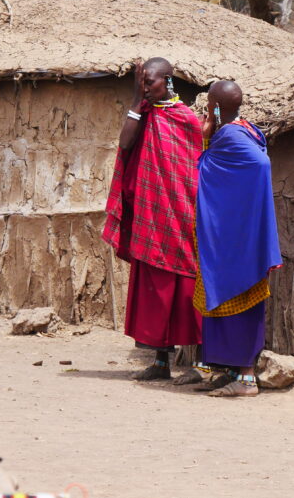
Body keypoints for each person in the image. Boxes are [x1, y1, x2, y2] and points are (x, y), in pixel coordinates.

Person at [103, 57, 203, 381]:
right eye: (142, 82)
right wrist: (136, 100)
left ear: (168, 82)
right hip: (151, 216)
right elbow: (125, 143)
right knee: (154, 289)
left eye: (151, 82)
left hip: (182, 214)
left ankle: (200, 363)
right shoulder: (142, 115)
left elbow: (194, 169)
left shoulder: (186, 119)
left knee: (186, 288)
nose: (146, 88)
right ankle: (161, 360)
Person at [193, 80, 282, 397]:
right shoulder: (245, 130)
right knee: (230, 302)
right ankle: (231, 371)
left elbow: (255, 166)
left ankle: (245, 378)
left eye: (209, 105)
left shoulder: (231, 136)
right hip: (232, 236)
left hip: (235, 239)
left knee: (239, 302)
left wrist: (204, 140)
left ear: (214, 108)